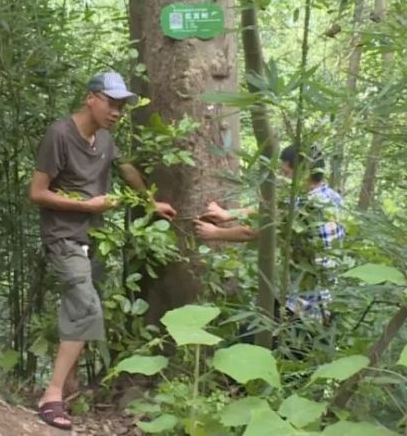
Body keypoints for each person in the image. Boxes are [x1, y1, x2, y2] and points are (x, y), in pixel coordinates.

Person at [29, 72, 176, 431]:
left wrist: (151, 202)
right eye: (111, 103)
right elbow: (37, 192)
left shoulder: (106, 140)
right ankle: (51, 395)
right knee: (86, 308)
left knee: (78, 310)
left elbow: (125, 169)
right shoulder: (59, 134)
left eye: (122, 107)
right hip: (63, 237)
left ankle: (70, 386)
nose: (117, 112)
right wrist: (88, 207)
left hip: (92, 239)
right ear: (91, 98)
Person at [194, 144, 345, 323]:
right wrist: (228, 214)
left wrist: (215, 233)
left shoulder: (305, 205)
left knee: (251, 340)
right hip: (324, 296)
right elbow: (273, 209)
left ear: (301, 171)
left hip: (306, 305)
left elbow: (255, 232)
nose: (282, 177)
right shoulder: (331, 196)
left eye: (285, 171)